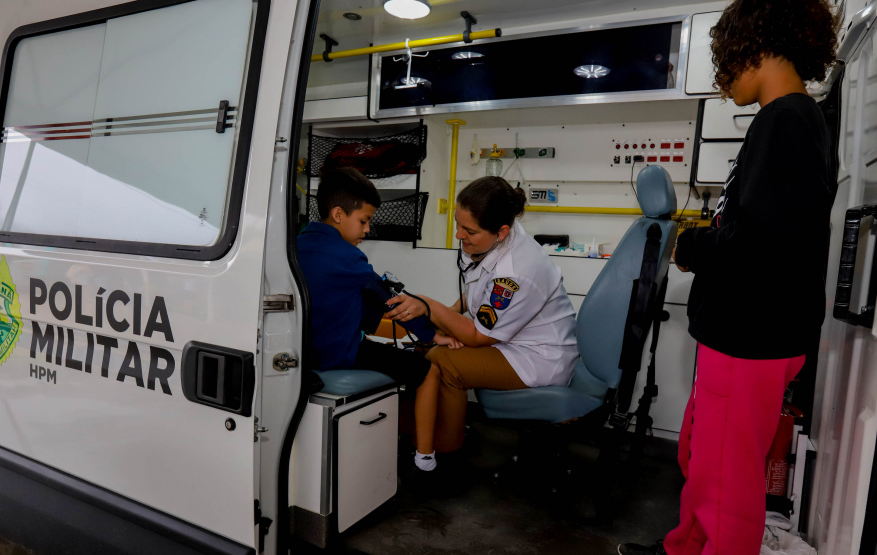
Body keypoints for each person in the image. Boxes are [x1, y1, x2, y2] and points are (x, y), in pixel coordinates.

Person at [619, 1, 839, 553]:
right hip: (753, 332)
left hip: (751, 333)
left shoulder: (784, 121)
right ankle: (686, 545)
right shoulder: (796, 120)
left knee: (727, 479)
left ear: (756, 49)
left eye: (725, 67)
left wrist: (692, 245)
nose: (723, 84)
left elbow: (760, 243)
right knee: (704, 456)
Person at [386, 176, 579, 472]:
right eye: (458, 224)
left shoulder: (516, 272)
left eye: (470, 231)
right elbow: (476, 290)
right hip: (512, 342)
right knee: (426, 345)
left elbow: (478, 336)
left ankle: (445, 453)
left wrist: (430, 306)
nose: (459, 235)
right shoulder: (497, 239)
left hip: (539, 357)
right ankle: (420, 430)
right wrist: (441, 322)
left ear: (501, 232)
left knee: (445, 361)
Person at [297, 167, 443, 437]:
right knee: (427, 369)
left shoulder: (295, 245)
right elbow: (390, 300)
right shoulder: (348, 257)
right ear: (338, 214)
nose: (368, 228)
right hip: (338, 356)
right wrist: (432, 334)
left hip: (303, 355)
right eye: (364, 220)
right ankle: (424, 456)